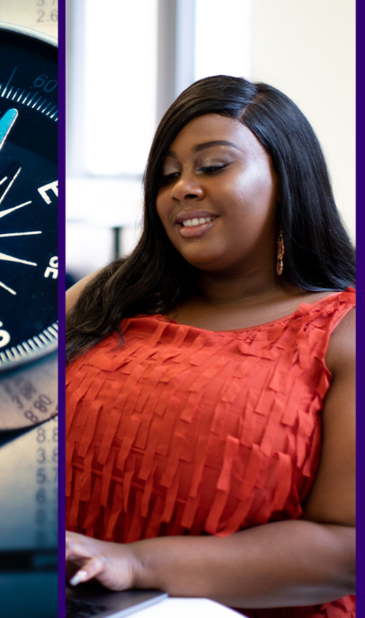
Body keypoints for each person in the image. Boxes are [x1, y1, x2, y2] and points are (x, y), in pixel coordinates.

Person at [64, 76, 356, 617]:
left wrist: (138, 564)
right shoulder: (108, 296)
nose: (184, 188)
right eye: (168, 175)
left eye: (213, 166)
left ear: (288, 176)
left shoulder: (345, 331)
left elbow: (346, 549)